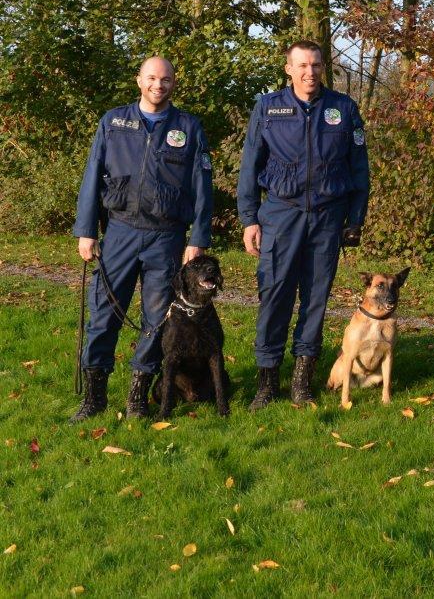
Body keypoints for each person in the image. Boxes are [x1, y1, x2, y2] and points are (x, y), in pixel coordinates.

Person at [70, 57, 213, 421]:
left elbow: (202, 187)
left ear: (173, 83)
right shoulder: (114, 122)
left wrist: (197, 238)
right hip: (119, 232)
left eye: (165, 79)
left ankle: (137, 396)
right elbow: (92, 175)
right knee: (103, 315)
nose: (157, 85)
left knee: (157, 319)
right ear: (139, 80)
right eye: (151, 78)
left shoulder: (188, 127)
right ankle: (94, 398)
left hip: (166, 237)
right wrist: (86, 230)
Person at [237, 41, 369, 409]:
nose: (309, 72)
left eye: (315, 65)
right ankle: (267, 382)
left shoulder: (344, 108)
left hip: (327, 217)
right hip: (281, 214)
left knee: (315, 299)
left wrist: (355, 218)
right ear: (289, 69)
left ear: (323, 67)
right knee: (274, 296)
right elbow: (250, 164)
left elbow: (359, 168)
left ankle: (301, 381)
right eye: (302, 65)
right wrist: (249, 218)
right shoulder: (268, 108)